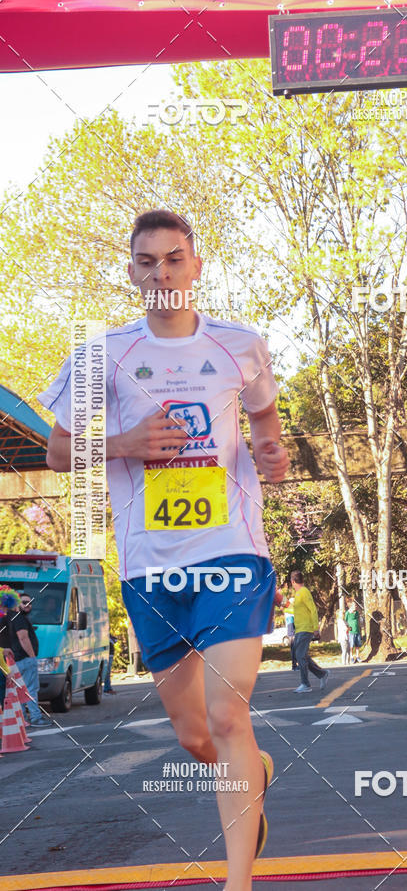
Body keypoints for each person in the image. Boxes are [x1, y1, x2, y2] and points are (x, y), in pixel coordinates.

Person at [40, 209, 290, 887]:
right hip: (151, 565)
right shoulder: (102, 357)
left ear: (196, 266)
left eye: (174, 259)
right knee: (195, 736)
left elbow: (264, 414)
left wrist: (270, 448)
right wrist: (125, 444)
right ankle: (253, 775)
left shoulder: (240, 344)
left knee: (227, 710)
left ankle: (237, 881)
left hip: (232, 552)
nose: (162, 273)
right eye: (147, 262)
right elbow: (57, 451)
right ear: (131, 273)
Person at [10, 592, 51, 725]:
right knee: (31, 689)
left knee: (20, 690)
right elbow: (23, 637)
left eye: (30, 602)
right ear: (17, 603)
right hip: (25, 660)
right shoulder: (20, 619)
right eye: (24, 602)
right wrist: (32, 656)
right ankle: (35, 718)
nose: (28, 605)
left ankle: (22, 719)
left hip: (17, 661)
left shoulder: (13, 618)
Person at [290, 571, 328, 693]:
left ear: (293, 581)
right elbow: (299, 611)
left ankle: (305, 684)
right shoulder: (299, 594)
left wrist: (316, 628)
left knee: (300, 655)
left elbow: (313, 610)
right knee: (302, 656)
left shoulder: (304, 592)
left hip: (306, 629)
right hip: (300, 629)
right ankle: (322, 674)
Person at [345, 599, 362, 663]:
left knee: (357, 645)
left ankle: (357, 656)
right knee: (351, 645)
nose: (356, 606)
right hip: (351, 632)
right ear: (351, 606)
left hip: (357, 630)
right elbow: (345, 621)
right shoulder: (347, 613)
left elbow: (358, 620)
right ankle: (351, 657)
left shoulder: (357, 613)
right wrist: (347, 629)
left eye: (356, 605)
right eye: (355, 605)